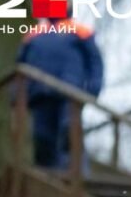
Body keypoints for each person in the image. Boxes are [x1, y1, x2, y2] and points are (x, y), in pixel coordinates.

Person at [16, 10, 104, 169]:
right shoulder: (34, 34)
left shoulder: (80, 31)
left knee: (69, 133)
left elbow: (95, 62)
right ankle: (47, 176)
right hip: (40, 94)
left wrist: (93, 88)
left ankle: (76, 174)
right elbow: (21, 65)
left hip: (70, 93)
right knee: (42, 140)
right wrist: (17, 93)